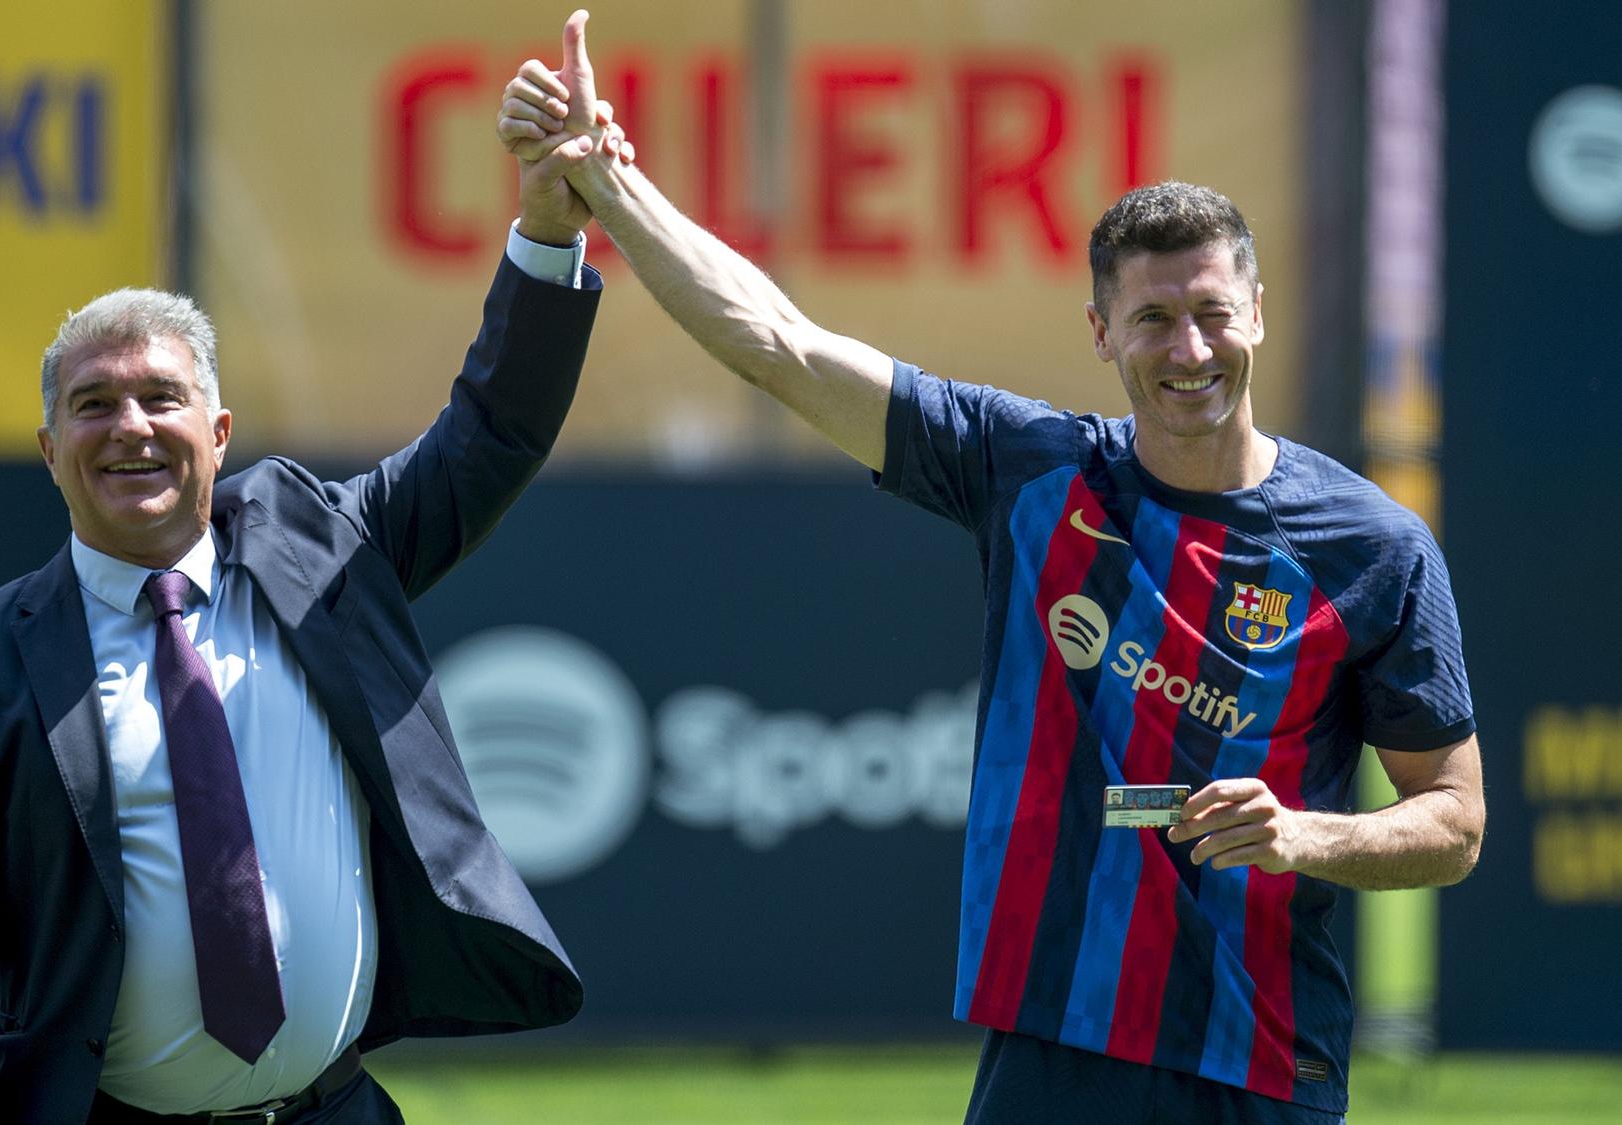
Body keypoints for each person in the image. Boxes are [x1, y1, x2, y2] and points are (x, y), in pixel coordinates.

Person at [498, 12, 1484, 1124]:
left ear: (1254, 312)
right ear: (1099, 331)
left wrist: (1307, 835)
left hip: (1257, 1062)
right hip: (1050, 1052)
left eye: (1212, 314)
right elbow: (775, 342)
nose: (1189, 350)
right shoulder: (1028, 470)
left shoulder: (1370, 546)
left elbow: (1450, 819)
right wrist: (607, 184)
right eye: (1151, 318)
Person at [0, 111, 633, 1123]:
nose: (129, 427)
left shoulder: (325, 556)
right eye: (93, 405)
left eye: (160, 397)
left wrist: (543, 229)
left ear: (217, 433)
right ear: (50, 449)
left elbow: (491, 432)